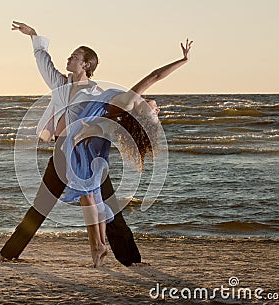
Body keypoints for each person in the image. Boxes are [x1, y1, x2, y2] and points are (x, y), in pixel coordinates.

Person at [0, 21, 142, 266]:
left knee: (111, 207)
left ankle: (131, 259)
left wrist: (145, 106)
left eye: (75, 57)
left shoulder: (97, 94)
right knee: (41, 206)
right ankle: (8, 254)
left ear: (86, 64)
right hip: (61, 153)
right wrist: (33, 36)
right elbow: (44, 63)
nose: (69, 59)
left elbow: (120, 107)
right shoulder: (60, 85)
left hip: (87, 158)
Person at [58, 39, 193, 267]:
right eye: (157, 108)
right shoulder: (124, 110)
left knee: (88, 196)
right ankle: (99, 246)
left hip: (82, 144)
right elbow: (101, 121)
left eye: (155, 110)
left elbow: (155, 76)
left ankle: (98, 247)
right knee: (90, 196)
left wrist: (183, 60)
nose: (156, 106)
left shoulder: (130, 102)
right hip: (88, 143)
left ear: (143, 112)